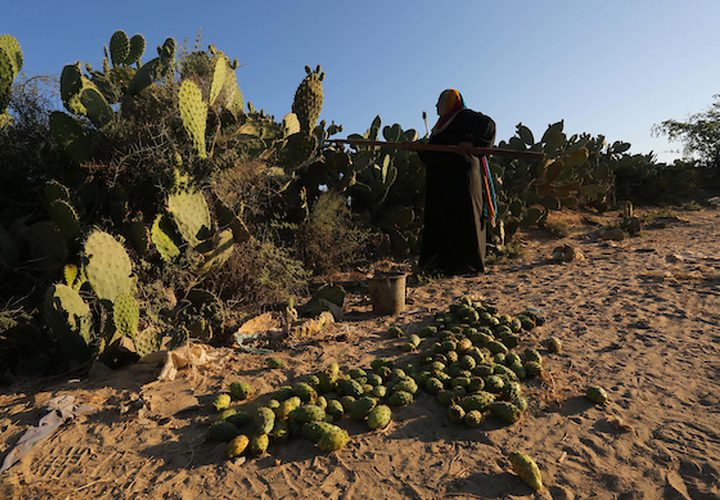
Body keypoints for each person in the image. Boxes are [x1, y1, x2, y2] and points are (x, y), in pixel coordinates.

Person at [417, 89, 497, 275]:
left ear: (450, 101)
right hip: (441, 182)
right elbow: (435, 152)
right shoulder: (439, 126)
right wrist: (418, 149)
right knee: (440, 219)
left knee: (464, 217)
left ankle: (468, 264)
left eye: (440, 101)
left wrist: (471, 143)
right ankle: (440, 265)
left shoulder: (464, 117)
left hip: (463, 179)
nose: (437, 105)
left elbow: (489, 126)